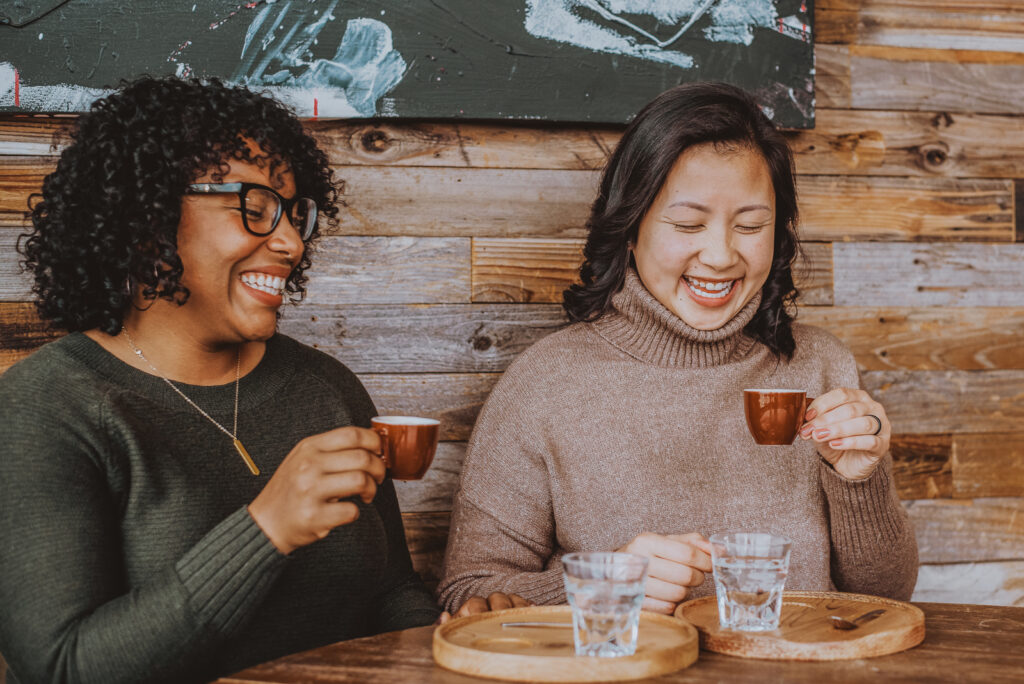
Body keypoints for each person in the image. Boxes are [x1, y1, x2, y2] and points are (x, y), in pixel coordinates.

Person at [0, 76, 512, 684]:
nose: (292, 242)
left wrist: (449, 635)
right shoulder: (45, 410)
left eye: (294, 214)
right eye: (256, 207)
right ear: (148, 217)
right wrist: (264, 530)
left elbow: (388, 592)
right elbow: (61, 668)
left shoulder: (325, 387)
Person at [437, 82, 918, 615]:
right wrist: (609, 586)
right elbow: (469, 597)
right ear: (629, 225)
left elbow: (885, 601)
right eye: (688, 224)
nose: (720, 255)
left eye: (751, 225)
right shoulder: (544, 383)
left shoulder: (822, 366)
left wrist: (859, 480)